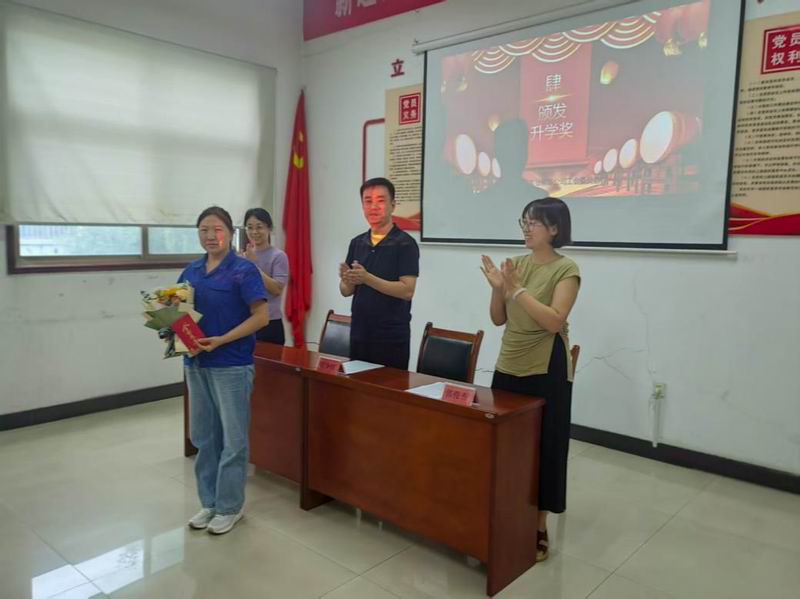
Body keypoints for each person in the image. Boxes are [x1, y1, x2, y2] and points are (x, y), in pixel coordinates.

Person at [479, 197, 580, 562]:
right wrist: (498, 288)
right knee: (506, 444)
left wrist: (518, 290)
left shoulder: (566, 269)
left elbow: (553, 321)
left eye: (533, 222)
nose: (526, 228)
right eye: (523, 221)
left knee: (545, 448)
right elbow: (498, 319)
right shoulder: (515, 265)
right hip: (510, 361)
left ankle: (538, 526)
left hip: (546, 366)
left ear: (554, 228)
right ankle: (505, 513)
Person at [179, 206, 268, 535]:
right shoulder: (190, 271)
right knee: (204, 437)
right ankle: (210, 502)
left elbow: (260, 317)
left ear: (230, 233)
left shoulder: (243, 270)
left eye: (217, 229)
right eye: (204, 230)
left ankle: (230, 507)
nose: (210, 236)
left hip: (231, 364)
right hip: (196, 364)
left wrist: (222, 340)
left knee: (233, 439)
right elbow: (178, 313)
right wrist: (170, 330)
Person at [339, 177, 419, 369]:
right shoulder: (357, 242)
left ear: (393, 205)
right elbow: (346, 291)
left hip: (390, 337)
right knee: (356, 385)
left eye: (380, 200)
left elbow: (407, 291)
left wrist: (367, 278)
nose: (373, 207)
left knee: (387, 387)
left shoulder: (405, 244)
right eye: (368, 201)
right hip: (360, 332)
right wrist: (347, 280)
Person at [240, 208, 289, 345]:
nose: (254, 232)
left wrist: (253, 266)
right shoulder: (243, 257)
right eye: (250, 227)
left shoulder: (278, 256)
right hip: (247, 322)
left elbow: (276, 289)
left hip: (270, 323)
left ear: (269, 228)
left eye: (259, 227)